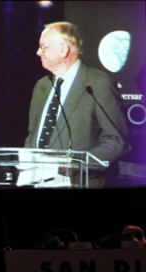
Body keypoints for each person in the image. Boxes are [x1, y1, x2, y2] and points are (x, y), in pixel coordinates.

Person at [24, 22, 130, 188]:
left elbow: (117, 141)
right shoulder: (42, 86)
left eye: (43, 47)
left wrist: (76, 163)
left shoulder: (98, 83)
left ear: (63, 49)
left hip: (80, 182)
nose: (38, 52)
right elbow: (33, 135)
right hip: (38, 183)